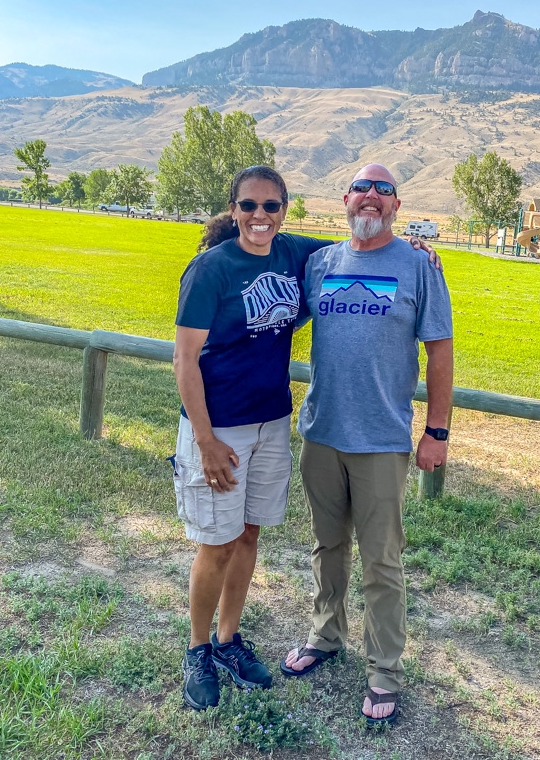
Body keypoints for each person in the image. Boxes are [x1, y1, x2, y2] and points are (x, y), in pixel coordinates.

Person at [172, 164, 437, 710]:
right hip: (239, 429)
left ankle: (238, 642)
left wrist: (415, 245)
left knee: (258, 538)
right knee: (227, 543)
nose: (260, 216)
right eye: (248, 206)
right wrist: (203, 438)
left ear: (285, 211)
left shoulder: (311, 255)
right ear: (233, 210)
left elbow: (366, 245)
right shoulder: (225, 269)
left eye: (271, 207)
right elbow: (184, 358)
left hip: (289, 425)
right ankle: (205, 649)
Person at [281, 163, 454, 726]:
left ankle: (384, 669)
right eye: (362, 188)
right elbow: (275, 256)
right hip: (322, 432)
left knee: (382, 560)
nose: (371, 197)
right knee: (327, 547)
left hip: (381, 440)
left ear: (398, 205)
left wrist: (437, 431)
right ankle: (325, 635)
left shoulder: (419, 267)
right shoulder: (323, 263)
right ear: (346, 198)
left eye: (384, 190)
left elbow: (440, 354)